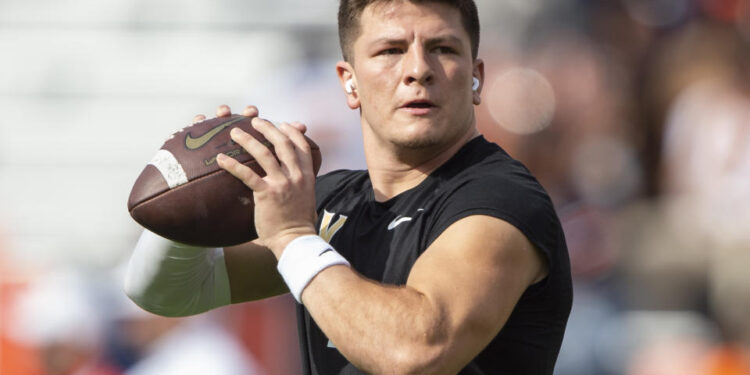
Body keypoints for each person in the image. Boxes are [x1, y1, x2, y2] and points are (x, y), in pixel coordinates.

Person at [125, 1, 573, 373]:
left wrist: (292, 239)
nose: (418, 69)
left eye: (442, 48)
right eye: (391, 50)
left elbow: (415, 352)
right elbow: (170, 292)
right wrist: (200, 198)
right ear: (349, 82)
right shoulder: (334, 202)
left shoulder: (502, 200)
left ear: (475, 77)